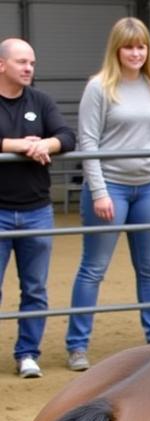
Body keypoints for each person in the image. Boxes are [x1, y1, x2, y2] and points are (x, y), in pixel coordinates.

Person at [65, 17, 150, 370]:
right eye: (129, 46)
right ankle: (77, 345)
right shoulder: (99, 87)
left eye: (141, 46)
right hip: (111, 187)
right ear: (116, 49)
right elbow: (87, 141)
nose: (136, 53)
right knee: (94, 267)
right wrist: (99, 191)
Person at [0, 38, 75, 378]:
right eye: (21, 62)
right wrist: (20, 146)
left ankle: (28, 353)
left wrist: (46, 143)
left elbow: (67, 136)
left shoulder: (41, 101)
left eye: (32, 62)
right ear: (2, 65)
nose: (29, 68)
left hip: (37, 211)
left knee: (35, 288)